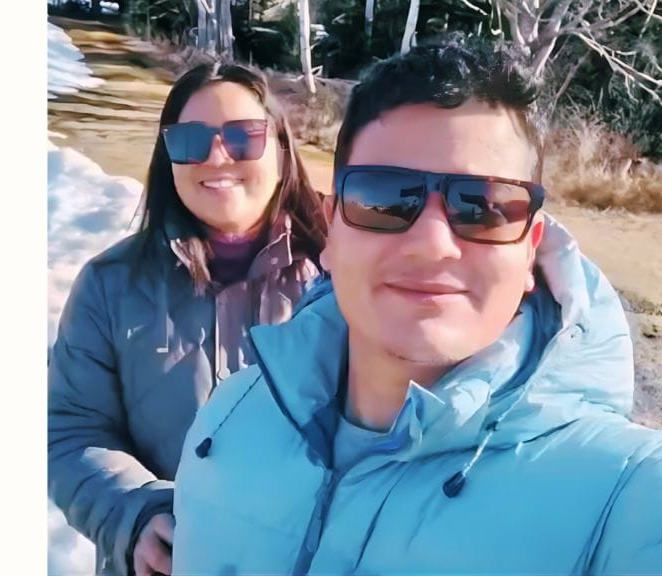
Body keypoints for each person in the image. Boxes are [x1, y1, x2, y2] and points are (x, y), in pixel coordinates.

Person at [172, 38, 662, 574]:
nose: (432, 244)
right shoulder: (230, 416)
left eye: (482, 207)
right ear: (331, 231)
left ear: (530, 249)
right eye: (384, 198)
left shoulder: (624, 497)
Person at [48, 62, 328, 576]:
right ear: (168, 159)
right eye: (191, 140)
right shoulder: (109, 286)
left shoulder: (341, 279)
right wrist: (136, 513)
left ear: (282, 149)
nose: (217, 156)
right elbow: (70, 431)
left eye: (243, 136)